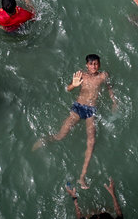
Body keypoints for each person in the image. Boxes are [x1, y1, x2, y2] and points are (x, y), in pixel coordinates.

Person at [33, 54, 117, 189]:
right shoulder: (82, 75)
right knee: (61, 136)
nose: (94, 66)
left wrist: (113, 101)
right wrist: (74, 84)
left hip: (91, 110)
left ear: (99, 65)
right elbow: (68, 89)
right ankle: (45, 140)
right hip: (78, 107)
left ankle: (82, 177)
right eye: (91, 64)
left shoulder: (104, 76)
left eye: (96, 64)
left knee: (92, 142)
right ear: (87, 65)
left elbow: (109, 88)